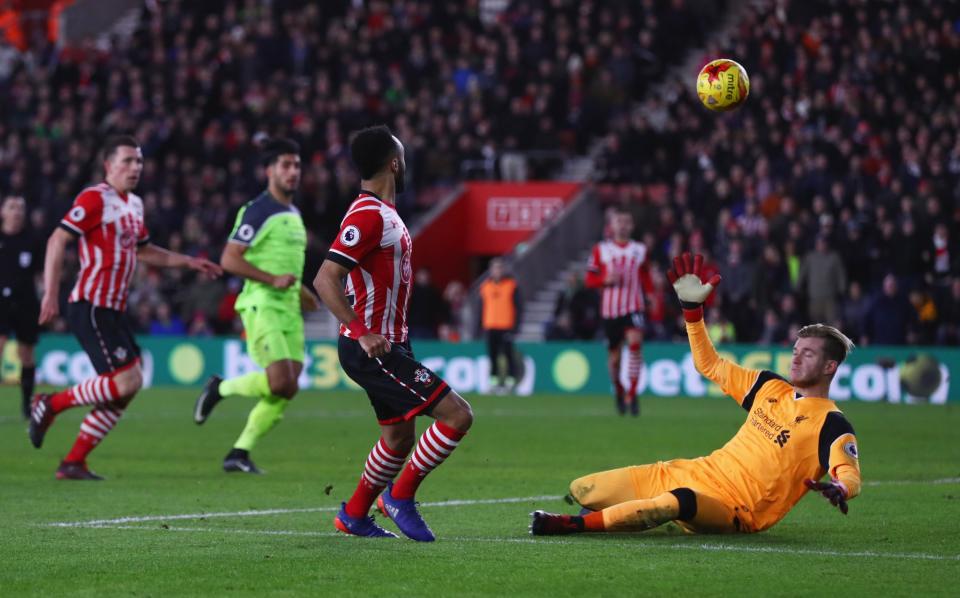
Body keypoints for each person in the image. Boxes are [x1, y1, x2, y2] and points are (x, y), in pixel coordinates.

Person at [530, 253, 861, 536]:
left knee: (677, 501)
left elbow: (848, 474)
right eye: (795, 350)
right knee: (585, 488)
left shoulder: (831, 424)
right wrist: (692, 312)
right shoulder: (769, 387)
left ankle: (573, 526)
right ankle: (626, 512)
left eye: (809, 354)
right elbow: (711, 365)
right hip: (697, 472)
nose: (796, 358)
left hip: (736, 507)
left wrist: (840, 488)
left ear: (830, 366)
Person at [314, 125, 474, 541]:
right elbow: (325, 278)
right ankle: (399, 496)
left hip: (390, 342)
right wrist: (361, 330)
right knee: (457, 415)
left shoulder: (384, 214)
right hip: (371, 346)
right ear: (394, 163)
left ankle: (352, 515)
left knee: (399, 437)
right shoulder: (367, 214)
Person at [29, 135, 222, 480]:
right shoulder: (94, 198)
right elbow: (57, 238)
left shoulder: (134, 205)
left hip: (113, 310)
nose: (135, 167)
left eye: (139, 161)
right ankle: (50, 405)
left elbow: (146, 251)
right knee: (123, 382)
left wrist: (190, 262)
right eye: (128, 161)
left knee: (128, 387)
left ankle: (73, 462)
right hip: (91, 304)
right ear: (108, 165)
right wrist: (50, 292)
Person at [193, 138, 318, 474]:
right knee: (279, 382)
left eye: (296, 165)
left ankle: (239, 452)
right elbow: (229, 258)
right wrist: (269, 279)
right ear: (270, 171)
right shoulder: (258, 210)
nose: (293, 172)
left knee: (288, 387)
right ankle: (220, 388)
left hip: (289, 307)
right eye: (285, 165)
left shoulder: (293, 213)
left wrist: (302, 291)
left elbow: (284, 267)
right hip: (262, 303)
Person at [583, 207, 651, 416]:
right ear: (612, 226)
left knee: (635, 345)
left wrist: (652, 295)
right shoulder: (601, 250)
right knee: (614, 359)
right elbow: (589, 280)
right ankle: (619, 390)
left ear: (631, 226)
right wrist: (604, 280)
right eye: (618, 221)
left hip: (634, 306)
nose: (622, 225)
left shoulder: (640, 250)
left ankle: (632, 393)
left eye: (626, 221)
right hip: (610, 311)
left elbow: (646, 276)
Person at [0, 195, 42, 418]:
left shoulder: (32, 240)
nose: (17, 212)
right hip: (0, 302)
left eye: (20, 208)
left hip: (26, 302)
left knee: (26, 353)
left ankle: (26, 405)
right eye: (12, 207)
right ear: (2, 212)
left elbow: (41, 274)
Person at [478, 257, 522, 394]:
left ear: (503, 270)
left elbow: (519, 307)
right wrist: (479, 326)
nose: (497, 270)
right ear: (491, 270)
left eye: (499, 268)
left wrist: (515, 327)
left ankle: (510, 382)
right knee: (492, 355)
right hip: (490, 325)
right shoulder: (485, 286)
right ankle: (494, 382)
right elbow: (480, 308)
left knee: (508, 354)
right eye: (494, 268)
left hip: (506, 325)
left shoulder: (511, 285)